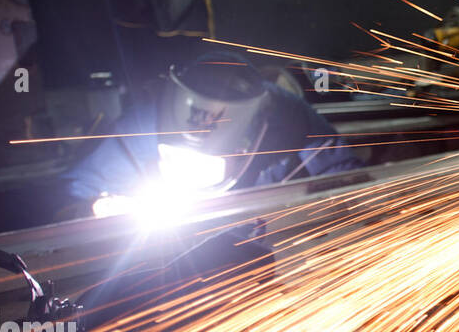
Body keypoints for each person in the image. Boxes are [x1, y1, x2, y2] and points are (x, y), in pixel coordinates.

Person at [61, 51, 362, 215]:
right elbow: (77, 193)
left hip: (253, 227)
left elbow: (343, 172)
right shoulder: (144, 123)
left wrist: (347, 207)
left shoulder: (286, 115)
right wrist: (96, 208)